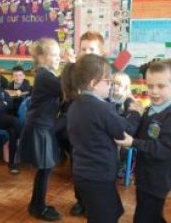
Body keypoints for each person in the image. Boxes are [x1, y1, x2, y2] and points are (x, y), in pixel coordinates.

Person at [65, 54, 139, 223]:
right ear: (92, 83)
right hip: (98, 175)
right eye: (108, 81)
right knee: (105, 217)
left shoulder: (76, 104)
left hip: (84, 173)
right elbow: (124, 131)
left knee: (108, 212)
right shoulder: (101, 108)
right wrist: (136, 113)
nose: (111, 85)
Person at [115, 60, 171, 223]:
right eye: (150, 86)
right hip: (145, 176)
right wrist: (136, 114)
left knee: (144, 217)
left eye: (160, 86)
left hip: (158, 180)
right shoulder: (150, 110)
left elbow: (164, 149)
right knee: (151, 215)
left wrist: (133, 143)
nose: (154, 92)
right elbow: (138, 134)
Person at [60, 31, 106, 216]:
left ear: (101, 52)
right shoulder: (73, 71)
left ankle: (95, 202)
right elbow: (65, 94)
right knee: (77, 165)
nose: (87, 52)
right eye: (83, 49)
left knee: (98, 168)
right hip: (77, 128)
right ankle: (80, 200)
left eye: (91, 49)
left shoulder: (105, 72)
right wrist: (69, 67)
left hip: (98, 130)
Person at [19, 38, 63, 221]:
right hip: (40, 128)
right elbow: (66, 88)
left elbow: (61, 84)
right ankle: (38, 208)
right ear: (41, 58)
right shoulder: (45, 76)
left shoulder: (47, 75)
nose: (59, 58)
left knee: (45, 169)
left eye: (59, 55)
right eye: (54, 55)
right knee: (45, 169)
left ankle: (36, 204)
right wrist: (75, 65)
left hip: (43, 126)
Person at [111, 72, 142, 178]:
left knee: (123, 146)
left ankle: (123, 166)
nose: (115, 86)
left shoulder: (130, 103)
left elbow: (130, 129)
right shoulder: (107, 99)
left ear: (126, 88)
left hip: (126, 135)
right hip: (113, 132)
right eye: (113, 83)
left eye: (119, 84)